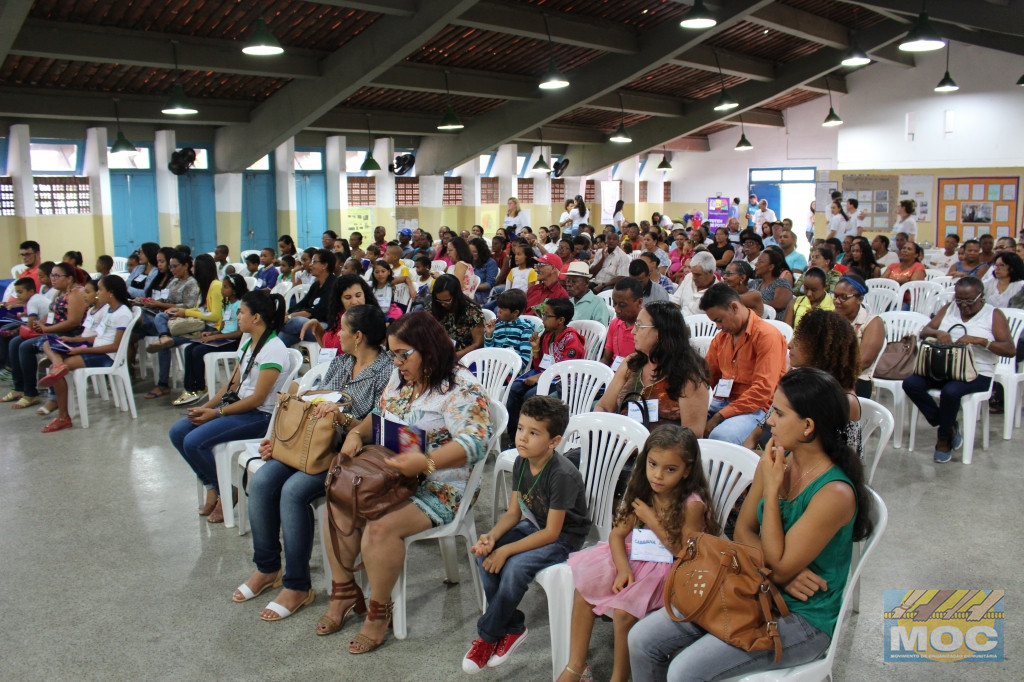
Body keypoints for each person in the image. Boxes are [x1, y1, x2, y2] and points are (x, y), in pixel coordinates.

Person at [630, 367, 874, 681]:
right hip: (750, 585)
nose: (769, 420)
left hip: (802, 617)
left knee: (684, 671)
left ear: (807, 427)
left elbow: (780, 566)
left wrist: (771, 494)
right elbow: (743, 531)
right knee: (640, 639)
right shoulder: (773, 461)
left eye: (779, 413)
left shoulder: (834, 493)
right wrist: (780, 571)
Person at [320, 312, 490, 650]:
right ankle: (343, 592)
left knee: (380, 528)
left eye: (403, 354)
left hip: (441, 485)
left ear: (428, 349)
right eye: (392, 354)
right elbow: (380, 414)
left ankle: (379, 611)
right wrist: (356, 434)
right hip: (392, 473)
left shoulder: (460, 387)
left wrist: (425, 461)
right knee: (338, 503)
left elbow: (475, 443)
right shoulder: (401, 378)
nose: (396, 362)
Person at [235, 304, 393, 622]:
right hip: (313, 445)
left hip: (350, 454)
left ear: (359, 336)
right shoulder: (342, 360)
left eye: (343, 330)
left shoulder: (387, 370)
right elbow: (317, 399)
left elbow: (380, 424)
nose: (338, 335)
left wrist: (343, 419)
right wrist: (284, 439)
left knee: (293, 492)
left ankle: (297, 585)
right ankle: (267, 568)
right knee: (264, 479)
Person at [557, 425, 716, 682]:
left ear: (687, 470)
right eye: (652, 464)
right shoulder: (643, 489)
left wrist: (652, 519)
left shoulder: (692, 504)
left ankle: (619, 677)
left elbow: (683, 552)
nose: (658, 475)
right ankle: (576, 666)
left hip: (671, 569)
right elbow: (617, 535)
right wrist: (623, 569)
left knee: (623, 613)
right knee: (584, 591)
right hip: (634, 558)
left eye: (670, 469)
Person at [465, 396, 587, 673]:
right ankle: (513, 626)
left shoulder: (561, 475)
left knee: (514, 567)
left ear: (554, 441)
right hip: (535, 525)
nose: (522, 438)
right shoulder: (522, 461)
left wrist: (507, 550)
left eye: (533, 433)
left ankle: (487, 636)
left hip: (564, 538)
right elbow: (513, 513)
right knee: (482, 555)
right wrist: (493, 537)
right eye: (520, 429)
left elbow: (553, 533)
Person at [169, 290, 294, 523]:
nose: (237, 317)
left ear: (256, 317)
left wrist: (215, 414)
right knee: (178, 431)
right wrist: (205, 407)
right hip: (241, 409)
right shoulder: (249, 342)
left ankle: (229, 490)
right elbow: (232, 385)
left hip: (260, 416)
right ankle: (213, 486)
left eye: (241, 312)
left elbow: (257, 399)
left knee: (193, 442)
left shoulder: (274, 348)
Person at [903, 277, 1015, 462]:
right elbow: (924, 331)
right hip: (945, 368)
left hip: (977, 372)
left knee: (951, 392)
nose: (964, 305)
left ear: (981, 296)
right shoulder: (949, 308)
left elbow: (1010, 350)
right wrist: (939, 333)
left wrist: (981, 341)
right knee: (911, 383)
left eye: (969, 301)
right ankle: (949, 425)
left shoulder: (994, 315)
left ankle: (943, 439)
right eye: (959, 300)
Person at [747, 310, 863, 453]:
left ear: (819, 347)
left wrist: (759, 459)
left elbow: (827, 462)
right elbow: (762, 426)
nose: (790, 345)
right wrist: (745, 452)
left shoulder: (844, 401)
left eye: (799, 339)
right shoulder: (796, 377)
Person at [35, 276, 134, 433]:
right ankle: (57, 362)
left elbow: (115, 346)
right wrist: (74, 339)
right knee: (49, 343)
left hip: (106, 357)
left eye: (100, 289)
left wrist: (82, 349)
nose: (97, 293)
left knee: (58, 371)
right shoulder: (109, 309)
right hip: (95, 348)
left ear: (110, 292)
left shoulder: (122, 313)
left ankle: (63, 417)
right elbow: (99, 336)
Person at [596, 302, 709, 430]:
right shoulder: (632, 364)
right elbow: (604, 407)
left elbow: (693, 434)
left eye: (639, 326)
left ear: (660, 333)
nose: (633, 331)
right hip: (620, 442)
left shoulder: (689, 376)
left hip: (663, 447)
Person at [699, 284, 787, 445]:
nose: (718, 327)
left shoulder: (767, 336)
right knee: (686, 423)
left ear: (734, 307)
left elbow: (762, 392)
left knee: (721, 436)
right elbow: (706, 376)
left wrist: (720, 416)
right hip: (722, 401)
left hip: (758, 408)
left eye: (719, 320)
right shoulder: (721, 338)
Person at [4, 263, 88, 409]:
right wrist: (40, 323)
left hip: (70, 335)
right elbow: (52, 314)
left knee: (25, 347)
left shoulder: (76, 293)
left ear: (69, 278)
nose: (53, 279)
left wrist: (46, 330)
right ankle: (19, 388)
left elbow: (73, 322)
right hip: (55, 330)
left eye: (57, 276)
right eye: (52, 275)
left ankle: (32, 393)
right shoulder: (59, 293)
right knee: (15, 342)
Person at [505, 298, 586, 436]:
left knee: (531, 397)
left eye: (547, 315)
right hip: (544, 375)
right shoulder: (548, 336)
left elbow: (566, 370)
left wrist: (538, 377)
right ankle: (514, 436)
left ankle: (532, 434)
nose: (543, 318)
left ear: (560, 320)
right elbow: (540, 365)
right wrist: (536, 349)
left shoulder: (571, 339)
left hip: (562, 381)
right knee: (514, 390)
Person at [173, 274, 249, 406]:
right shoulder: (226, 304)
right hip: (223, 338)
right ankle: (191, 388)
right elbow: (224, 327)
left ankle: (199, 387)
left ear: (234, 290)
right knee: (189, 349)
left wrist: (216, 337)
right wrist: (212, 333)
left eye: (225, 287)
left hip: (232, 342)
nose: (222, 290)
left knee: (198, 351)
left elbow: (238, 333)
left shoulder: (239, 306)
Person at [831, 274, 885, 398]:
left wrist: (828, 374)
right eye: (835, 296)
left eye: (844, 297)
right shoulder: (831, 318)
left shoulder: (873, 322)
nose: (837, 301)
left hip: (856, 379)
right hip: (829, 373)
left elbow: (862, 362)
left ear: (859, 299)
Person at [278, 249, 337, 347]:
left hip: (324, 327)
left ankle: (272, 326)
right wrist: (287, 313)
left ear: (324, 265)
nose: (311, 265)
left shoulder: (334, 285)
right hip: (307, 326)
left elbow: (317, 311)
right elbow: (302, 303)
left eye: (314, 262)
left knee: (296, 322)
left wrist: (289, 317)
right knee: (283, 337)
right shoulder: (316, 285)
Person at [310, 274, 377, 353]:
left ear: (365, 295)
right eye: (348, 298)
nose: (354, 302)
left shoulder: (372, 320)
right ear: (339, 300)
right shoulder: (338, 316)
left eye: (358, 296)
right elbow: (328, 349)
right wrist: (318, 328)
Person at [425, 274, 484, 360]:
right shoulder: (433, 306)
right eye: (439, 300)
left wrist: (454, 357)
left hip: (463, 356)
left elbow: (478, 343)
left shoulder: (472, 311)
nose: (443, 304)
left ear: (456, 296)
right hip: (437, 352)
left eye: (447, 301)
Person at [483, 288, 534, 376]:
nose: (498, 311)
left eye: (503, 309)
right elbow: (488, 352)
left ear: (515, 312)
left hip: (511, 373)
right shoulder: (497, 326)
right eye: (499, 307)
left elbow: (525, 358)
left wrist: (505, 369)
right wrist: (489, 334)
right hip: (492, 370)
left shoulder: (525, 329)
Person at [602, 278, 642, 370]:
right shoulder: (614, 323)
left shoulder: (647, 328)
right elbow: (606, 359)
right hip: (613, 374)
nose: (617, 309)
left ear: (639, 302)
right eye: (615, 303)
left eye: (622, 305)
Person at [669, 251, 717, 317]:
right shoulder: (689, 277)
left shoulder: (718, 291)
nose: (693, 278)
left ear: (710, 272)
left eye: (698, 275)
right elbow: (675, 302)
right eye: (693, 273)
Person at [564, 262, 612, 326]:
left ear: (586, 283)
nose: (569, 284)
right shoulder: (568, 303)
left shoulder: (597, 303)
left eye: (574, 281)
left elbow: (601, 328)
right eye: (568, 281)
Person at [750, 248, 794, 317]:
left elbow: (780, 303)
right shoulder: (755, 282)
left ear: (771, 267)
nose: (756, 264)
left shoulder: (781, 283)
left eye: (760, 262)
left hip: (772, 322)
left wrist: (755, 305)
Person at [469, 237, 498, 304]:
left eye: (475, 252)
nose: (471, 255)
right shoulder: (469, 261)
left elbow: (489, 284)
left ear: (481, 252)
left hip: (481, 295)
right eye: (470, 252)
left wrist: (472, 287)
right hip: (469, 292)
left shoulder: (490, 263)